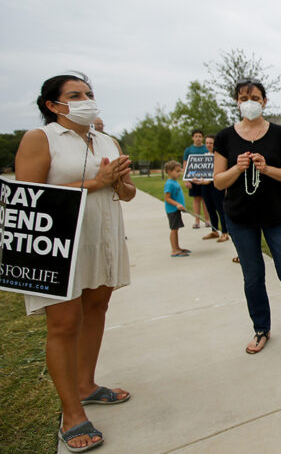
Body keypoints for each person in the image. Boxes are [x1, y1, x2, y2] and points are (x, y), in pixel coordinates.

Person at [15, 73, 135, 452]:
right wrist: (95, 183)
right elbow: (28, 197)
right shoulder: (41, 139)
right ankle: (72, 413)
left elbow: (129, 194)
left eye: (89, 93)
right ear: (53, 105)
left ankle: (87, 384)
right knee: (64, 323)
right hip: (59, 245)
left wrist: (118, 182)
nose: (86, 99)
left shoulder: (106, 140)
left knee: (97, 307)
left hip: (101, 240)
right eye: (75, 95)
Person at [213, 78, 281, 354]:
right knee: (253, 277)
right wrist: (238, 169)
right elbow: (218, 182)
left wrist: (266, 168)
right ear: (236, 102)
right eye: (242, 97)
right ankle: (261, 329)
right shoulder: (225, 137)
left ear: (264, 101)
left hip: (276, 217)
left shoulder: (280, 134)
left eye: (254, 97)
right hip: (240, 219)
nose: (248, 102)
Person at [201, 134, 230, 242]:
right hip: (205, 187)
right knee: (210, 209)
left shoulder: (220, 156)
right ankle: (214, 230)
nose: (209, 145)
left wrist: (210, 180)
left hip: (217, 187)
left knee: (220, 209)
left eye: (211, 143)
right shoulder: (204, 156)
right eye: (207, 143)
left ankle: (225, 232)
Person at [183, 129, 208, 229]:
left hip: (205, 179)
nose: (198, 138)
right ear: (193, 138)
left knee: (205, 200)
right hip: (193, 179)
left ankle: (207, 220)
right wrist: (186, 179)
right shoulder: (188, 150)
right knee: (196, 199)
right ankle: (197, 221)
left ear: (202, 138)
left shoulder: (206, 149)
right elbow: (185, 165)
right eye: (196, 136)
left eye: (200, 136)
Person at [163, 161, 190, 257]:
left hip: (176, 210)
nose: (179, 173)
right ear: (169, 171)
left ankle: (177, 247)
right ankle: (174, 250)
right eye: (177, 171)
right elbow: (167, 198)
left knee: (176, 229)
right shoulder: (169, 184)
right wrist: (177, 204)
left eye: (180, 171)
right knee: (174, 229)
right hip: (172, 210)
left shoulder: (174, 182)